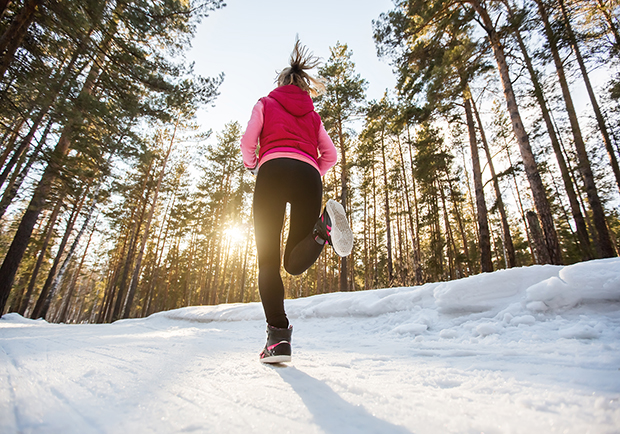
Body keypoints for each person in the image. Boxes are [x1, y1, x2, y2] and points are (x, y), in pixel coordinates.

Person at [240, 40, 353, 364]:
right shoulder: (312, 116)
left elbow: (249, 141)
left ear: (281, 84)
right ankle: (323, 229)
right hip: (308, 175)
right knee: (294, 263)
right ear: (303, 87)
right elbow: (330, 155)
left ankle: (277, 338)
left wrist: (254, 163)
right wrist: (311, 168)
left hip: (273, 171)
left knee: (268, 262)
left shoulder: (265, 103)